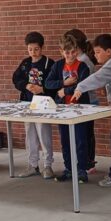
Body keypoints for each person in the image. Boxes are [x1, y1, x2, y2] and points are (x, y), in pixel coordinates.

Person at [74, 34, 111, 188]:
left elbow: (98, 78)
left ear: (109, 52)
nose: (95, 55)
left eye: (98, 52)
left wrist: (80, 87)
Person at [45, 34, 91, 183]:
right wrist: (64, 83)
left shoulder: (83, 67)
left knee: (80, 140)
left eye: (73, 52)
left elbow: (83, 85)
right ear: (61, 52)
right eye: (67, 52)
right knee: (65, 140)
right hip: (62, 110)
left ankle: (82, 170)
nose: (70, 55)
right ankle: (69, 169)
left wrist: (66, 91)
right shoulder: (58, 66)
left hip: (79, 109)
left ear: (77, 50)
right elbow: (48, 83)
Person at [11, 32, 57, 179]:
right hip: (27, 102)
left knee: (44, 134)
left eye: (36, 49)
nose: (33, 52)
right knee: (30, 134)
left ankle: (48, 165)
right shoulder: (25, 63)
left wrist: (42, 89)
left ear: (42, 48)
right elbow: (16, 78)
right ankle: (32, 165)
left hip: (43, 103)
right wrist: (25, 86)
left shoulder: (49, 63)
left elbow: (55, 83)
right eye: (30, 49)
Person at [66, 28, 97, 173]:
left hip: (87, 101)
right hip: (82, 101)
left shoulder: (83, 61)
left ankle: (88, 162)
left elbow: (81, 84)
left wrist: (66, 88)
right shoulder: (79, 59)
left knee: (85, 134)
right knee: (85, 134)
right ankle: (86, 161)